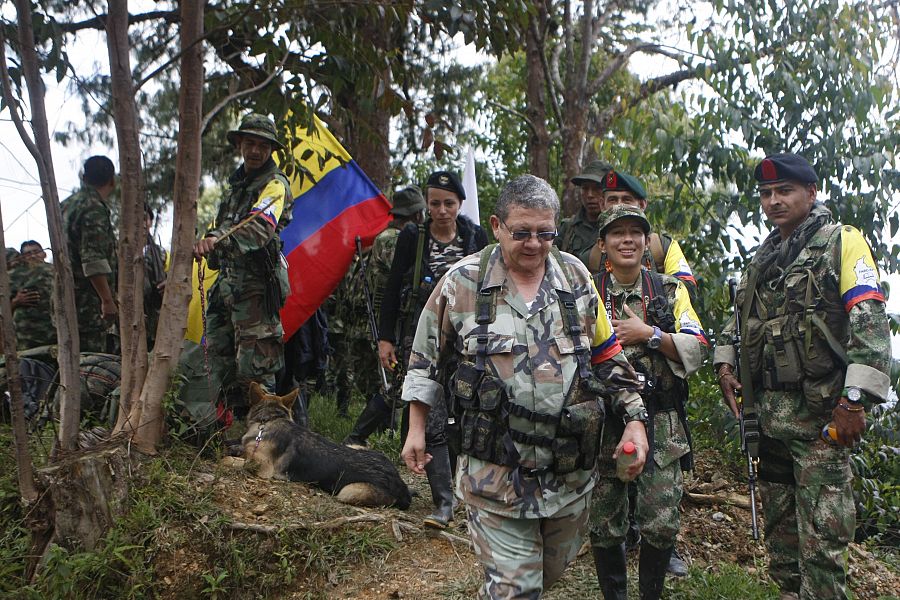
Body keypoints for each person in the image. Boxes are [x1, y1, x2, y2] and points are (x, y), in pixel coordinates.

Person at [401, 174, 649, 598]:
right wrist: (417, 429)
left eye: (545, 232)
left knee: (540, 578)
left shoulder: (575, 277)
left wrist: (635, 418)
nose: (534, 243)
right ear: (497, 226)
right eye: (522, 232)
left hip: (568, 480)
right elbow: (424, 361)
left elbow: (607, 354)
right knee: (519, 590)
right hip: (494, 478)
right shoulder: (462, 283)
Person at [714, 153, 891, 600]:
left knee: (823, 545)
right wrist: (725, 364)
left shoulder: (841, 242)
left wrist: (853, 402)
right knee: (783, 546)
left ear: (811, 194)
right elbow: (738, 321)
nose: (774, 201)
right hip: (768, 422)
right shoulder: (764, 256)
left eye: (784, 191)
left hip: (820, 422)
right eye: (766, 194)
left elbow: (871, 330)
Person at [587, 205, 708, 600]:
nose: (627, 240)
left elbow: (698, 347)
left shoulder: (669, 290)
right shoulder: (586, 291)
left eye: (635, 233)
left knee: (660, 522)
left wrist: (649, 334)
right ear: (603, 244)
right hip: (604, 421)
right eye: (617, 233)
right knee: (605, 521)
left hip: (661, 418)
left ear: (645, 242)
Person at [378, 170, 488, 529]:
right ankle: (442, 502)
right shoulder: (414, 236)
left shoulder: (475, 236)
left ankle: (470, 496)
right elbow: (393, 287)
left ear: (460, 204)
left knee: (470, 415)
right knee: (431, 413)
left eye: (449, 203)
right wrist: (386, 337)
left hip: (468, 340)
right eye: (435, 203)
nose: (441, 210)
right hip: (423, 338)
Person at [181, 113, 293, 429]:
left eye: (262, 145)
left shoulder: (275, 185)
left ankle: (265, 439)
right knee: (217, 361)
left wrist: (216, 241)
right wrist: (211, 244)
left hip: (255, 292)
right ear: (240, 143)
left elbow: (259, 228)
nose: (255, 150)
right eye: (250, 143)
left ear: (271, 149)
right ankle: (225, 434)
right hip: (227, 289)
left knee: (257, 370)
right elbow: (221, 228)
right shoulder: (236, 185)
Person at [344, 185, 426, 446]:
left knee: (401, 384)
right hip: (391, 323)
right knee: (395, 385)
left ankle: (395, 437)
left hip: (398, 320)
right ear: (416, 214)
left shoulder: (398, 236)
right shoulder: (391, 238)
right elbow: (403, 274)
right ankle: (357, 436)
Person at [583, 170, 697, 301]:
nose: (620, 206)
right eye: (613, 200)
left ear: (642, 205)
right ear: (602, 205)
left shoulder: (662, 247)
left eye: (627, 199)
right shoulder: (591, 257)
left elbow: (688, 290)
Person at [61, 155, 118, 353]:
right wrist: (107, 300)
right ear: (112, 180)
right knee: (90, 369)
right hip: (86, 307)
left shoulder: (66, 205)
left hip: (65, 300)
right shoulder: (93, 207)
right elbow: (92, 259)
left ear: (83, 178)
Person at [555, 159, 612, 264]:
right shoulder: (567, 228)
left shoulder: (619, 228)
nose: (590, 195)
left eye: (597, 188)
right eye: (585, 188)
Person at [9, 241, 56, 351]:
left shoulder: (58, 272)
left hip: (56, 332)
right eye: (28, 253)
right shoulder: (13, 277)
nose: (33, 256)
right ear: (22, 258)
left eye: (36, 251)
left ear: (44, 254)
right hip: (27, 336)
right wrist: (16, 302)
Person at [143, 207, 168, 350]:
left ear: (150, 222)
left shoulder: (160, 253)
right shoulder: (118, 250)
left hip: (154, 322)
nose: (141, 223)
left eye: (145, 219)